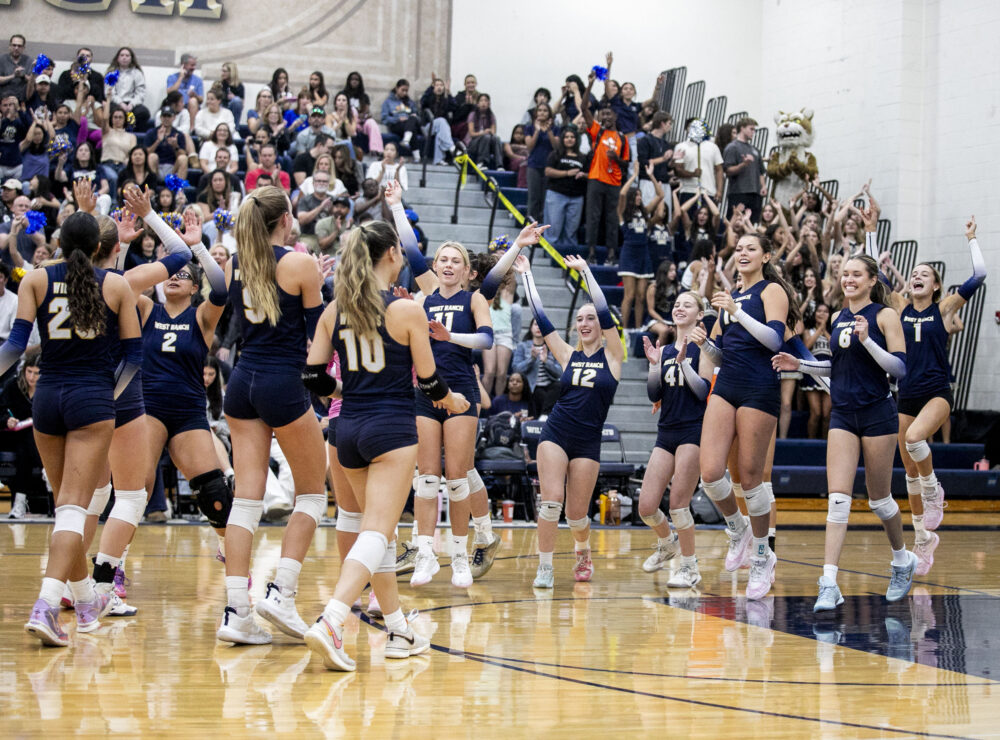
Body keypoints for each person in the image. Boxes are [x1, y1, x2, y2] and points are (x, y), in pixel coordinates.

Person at [301, 218, 468, 672]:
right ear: (392, 254)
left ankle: (398, 630)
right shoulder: (406, 310)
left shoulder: (334, 310)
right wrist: (455, 402)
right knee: (376, 533)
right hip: (392, 429)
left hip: (346, 430)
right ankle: (333, 619)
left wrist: (341, 394)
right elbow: (432, 385)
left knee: (380, 535)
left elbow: (314, 377)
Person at [0, 210, 141, 646]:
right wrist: (107, 399)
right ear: (101, 247)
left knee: (67, 507)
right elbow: (133, 359)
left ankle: (84, 605)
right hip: (91, 399)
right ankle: (45, 606)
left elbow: (15, 346)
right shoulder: (116, 284)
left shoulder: (36, 279)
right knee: (73, 510)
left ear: (59, 243)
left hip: (47, 399)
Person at [392, 183, 543, 583]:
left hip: (460, 389)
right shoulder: (423, 296)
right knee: (426, 478)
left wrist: (449, 337)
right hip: (425, 391)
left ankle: (459, 555)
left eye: (455, 260)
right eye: (442, 258)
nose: (446, 264)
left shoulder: (474, 298)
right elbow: (409, 250)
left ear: (466, 270)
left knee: (457, 476)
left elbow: (488, 339)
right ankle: (425, 553)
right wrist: (394, 205)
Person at [214, 185, 327, 645]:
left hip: (242, 382)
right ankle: (281, 593)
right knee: (312, 496)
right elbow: (319, 339)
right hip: (283, 381)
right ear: (285, 218)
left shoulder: (235, 261)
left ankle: (237, 612)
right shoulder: (301, 263)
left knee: (245, 500)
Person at [773, 251, 918, 610]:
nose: (848, 279)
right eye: (845, 273)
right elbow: (836, 370)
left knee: (880, 501)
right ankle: (829, 582)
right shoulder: (838, 316)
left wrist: (869, 340)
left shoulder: (885, 316)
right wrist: (802, 365)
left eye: (856, 274)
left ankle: (902, 559)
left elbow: (899, 369)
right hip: (843, 415)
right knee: (837, 500)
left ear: (872, 280)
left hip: (878, 415)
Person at [694, 232, 797, 600]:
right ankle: (737, 529)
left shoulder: (772, 291)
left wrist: (737, 312)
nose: (742, 253)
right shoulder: (729, 298)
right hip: (728, 382)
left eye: (751, 248)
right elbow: (721, 355)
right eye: (738, 248)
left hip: (759, 385)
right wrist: (704, 342)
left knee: (752, 479)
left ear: (766, 256)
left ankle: (761, 555)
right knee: (709, 473)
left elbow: (774, 340)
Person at [516, 253, 623, 587]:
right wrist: (527, 274)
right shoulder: (567, 353)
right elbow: (542, 317)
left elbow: (605, 312)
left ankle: (582, 549)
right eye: (579, 318)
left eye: (590, 317)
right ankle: (545, 567)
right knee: (550, 502)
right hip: (556, 432)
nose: (585, 323)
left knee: (577, 516)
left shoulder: (614, 355)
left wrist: (588, 272)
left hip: (588, 441)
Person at [892, 216, 985, 575]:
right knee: (909, 474)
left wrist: (971, 239)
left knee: (917, 439)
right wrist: (870, 232)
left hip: (937, 392)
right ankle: (923, 538)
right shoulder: (898, 308)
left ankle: (936, 490)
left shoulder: (943, 308)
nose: (917, 276)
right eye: (914, 273)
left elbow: (979, 276)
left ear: (936, 287)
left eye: (925, 274)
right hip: (906, 394)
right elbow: (877, 279)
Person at [638, 292, 712, 585]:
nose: (680, 308)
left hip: (693, 431)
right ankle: (668, 543)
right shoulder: (665, 349)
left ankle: (690, 567)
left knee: (679, 505)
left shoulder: (704, 347)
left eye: (687, 305)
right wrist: (655, 365)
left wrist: (684, 364)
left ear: (699, 314)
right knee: (646, 507)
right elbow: (654, 395)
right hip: (666, 432)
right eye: (677, 304)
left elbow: (702, 391)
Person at [581, 70, 630, 262]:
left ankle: (611, 253)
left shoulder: (622, 139)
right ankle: (591, 252)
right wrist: (590, 84)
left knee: (612, 219)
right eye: (604, 114)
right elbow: (584, 107)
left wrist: (616, 158)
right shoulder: (597, 131)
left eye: (610, 114)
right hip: (596, 179)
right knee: (592, 217)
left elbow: (625, 163)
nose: (606, 117)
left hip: (614, 182)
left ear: (616, 117)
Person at [617, 164, 664, 330]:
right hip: (629, 253)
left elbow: (660, 195)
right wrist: (634, 175)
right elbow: (622, 193)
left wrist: (651, 175)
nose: (639, 197)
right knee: (629, 295)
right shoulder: (624, 213)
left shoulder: (645, 212)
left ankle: (637, 330)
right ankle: (624, 330)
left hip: (643, 253)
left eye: (640, 195)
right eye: (636, 195)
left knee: (641, 297)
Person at [1, 349, 45, 518]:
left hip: (39, 436)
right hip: (14, 434)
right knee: (25, 443)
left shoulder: (47, 389)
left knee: (25, 450)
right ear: (24, 369)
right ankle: (46, 473)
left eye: (36, 373)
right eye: (29, 372)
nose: (32, 377)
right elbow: (2, 410)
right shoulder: (13, 386)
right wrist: (7, 420)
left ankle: (20, 501)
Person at [543, 127, 589, 249]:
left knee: (571, 231)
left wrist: (583, 175)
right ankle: (550, 258)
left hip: (576, 197)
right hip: (556, 194)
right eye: (567, 137)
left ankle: (569, 261)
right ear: (562, 139)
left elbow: (590, 174)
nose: (569, 139)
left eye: (572, 137)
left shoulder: (583, 157)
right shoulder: (555, 154)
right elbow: (548, 171)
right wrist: (567, 173)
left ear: (576, 140)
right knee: (553, 229)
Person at [512, 319, 563, 415]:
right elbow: (516, 369)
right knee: (539, 393)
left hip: (549, 386)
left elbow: (560, 372)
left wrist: (546, 362)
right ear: (531, 328)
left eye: (541, 325)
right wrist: (532, 359)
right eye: (536, 324)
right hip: (531, 386)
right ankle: (545, 416)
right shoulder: (522, 346)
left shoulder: (553, 347)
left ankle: (543, 417)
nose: (539, 327)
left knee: (559, 385)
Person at [673, 119, 724, 213]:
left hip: (708, 192)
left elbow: (719, 170)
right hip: (688, 191)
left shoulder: (713, 147)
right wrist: (693, 174)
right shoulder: (680, 147)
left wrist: (719, 191)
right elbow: (677, 169)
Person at [723, 117, 766, 221]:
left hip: (755, 193)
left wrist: (763, 186)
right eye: (751, 129)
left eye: (754, 130)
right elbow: (728, 170)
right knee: (735, 223)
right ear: (742, 128)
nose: (753, 132)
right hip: (739, 192)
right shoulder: (732, 147)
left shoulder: (755, 150)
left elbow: (761, 172)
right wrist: (744, 164)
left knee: (752, 223)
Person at [523, 102, 558, 222]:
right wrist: (537, 131)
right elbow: (530, 147)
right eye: (540, 110)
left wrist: (548, 131)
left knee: (545, 199)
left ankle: (542, 228)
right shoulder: (529, 128)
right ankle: (529, 226)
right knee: (533, 198)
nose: (542, 112)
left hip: (549, 168)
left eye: (545, 110)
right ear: (536, 113)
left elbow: (556, 147)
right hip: (534, 166)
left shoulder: (555, 129)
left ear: (549, 114)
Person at [801, 302, 832, 439]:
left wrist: (825, 330)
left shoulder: (833, 332)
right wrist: (820, 329)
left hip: (830, 372)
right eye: (819, 311)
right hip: (813, 372)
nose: (822, 313)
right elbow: (806, 345)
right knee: (816, 413)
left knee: (826, 414)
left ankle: (826, 446)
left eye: (825, 311)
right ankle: (811, 443)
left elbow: (836, 349)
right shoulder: (809, 331)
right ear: (814, 314)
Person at [105, 46, 149, 132]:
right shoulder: (112, 73)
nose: (124, 57)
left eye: (127, 55)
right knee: (110, 111)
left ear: (131, 58)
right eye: (122, 55)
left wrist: (132, 104)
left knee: (143, 113)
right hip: (116, 103)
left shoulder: (137, 73)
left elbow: (140, 93)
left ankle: (131, 133)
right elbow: (110, 92)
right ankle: (114, 132)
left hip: (131, 104)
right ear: (117, 58)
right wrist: (121, 103)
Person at [638, 112, 674, 205]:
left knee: (665, 215)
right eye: (669, 123)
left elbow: (668, 167)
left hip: (664, 183)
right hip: (648, 182)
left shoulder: (666, 144)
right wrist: (663, 158)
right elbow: (643, 162)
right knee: (648, 212)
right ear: (662, 123)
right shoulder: (645, 140)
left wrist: (673, 159)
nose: (670, 127)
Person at [380, 79, 421, 157]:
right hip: (396, 125)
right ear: (396, 88)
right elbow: (384, 119)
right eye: (402, 90)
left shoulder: (410, 102)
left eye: (406, 91)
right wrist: (398, 119)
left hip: (409, 124)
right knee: (412, 129)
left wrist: (412, 117)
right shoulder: (388, 102)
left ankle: (406, 140)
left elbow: (417, 117)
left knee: (412, 121)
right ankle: (416, 155)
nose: (405, 93)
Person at [466, 93, 502, 170]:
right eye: (481, 101)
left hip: (487, 140)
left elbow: (493, 131)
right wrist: (483, 133)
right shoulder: (472, 115)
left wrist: (490, 131)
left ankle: (499, 165)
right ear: (478, 104)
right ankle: (481, 162)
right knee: (486, 137)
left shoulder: (491, 115)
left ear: (489, 104)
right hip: (473, 143)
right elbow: (471, 134)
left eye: (486, 101)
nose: (483, 103)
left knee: (496, 138)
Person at [0, 94, 31, 183]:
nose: (8, 108)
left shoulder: (19, 123)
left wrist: (19, 110)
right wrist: (7, 119)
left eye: (11, 105)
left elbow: (31, 129)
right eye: (5, 105)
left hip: (16, 164)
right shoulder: (1, 122)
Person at [165, 54, 203, 125]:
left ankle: (191, 130)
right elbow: (169, 93)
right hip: (176, 106)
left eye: (195, 65)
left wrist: (195, 95)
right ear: (183, 65)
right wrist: (180, 78)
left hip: (190, 106)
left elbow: (201, 100)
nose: (194, 68)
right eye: (192, 65)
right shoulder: (172, 77)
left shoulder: (198, 80)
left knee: (193, 101)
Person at [0, 34, 33, 103]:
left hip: (23, 101)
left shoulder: (29, 61)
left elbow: (33, 82)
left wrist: (23, 76)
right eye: (14, 45)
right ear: (10, 46)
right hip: (3, 100)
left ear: (23, 48)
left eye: (19, 46)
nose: (16, 48)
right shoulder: (2, 59)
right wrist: (13, 76)